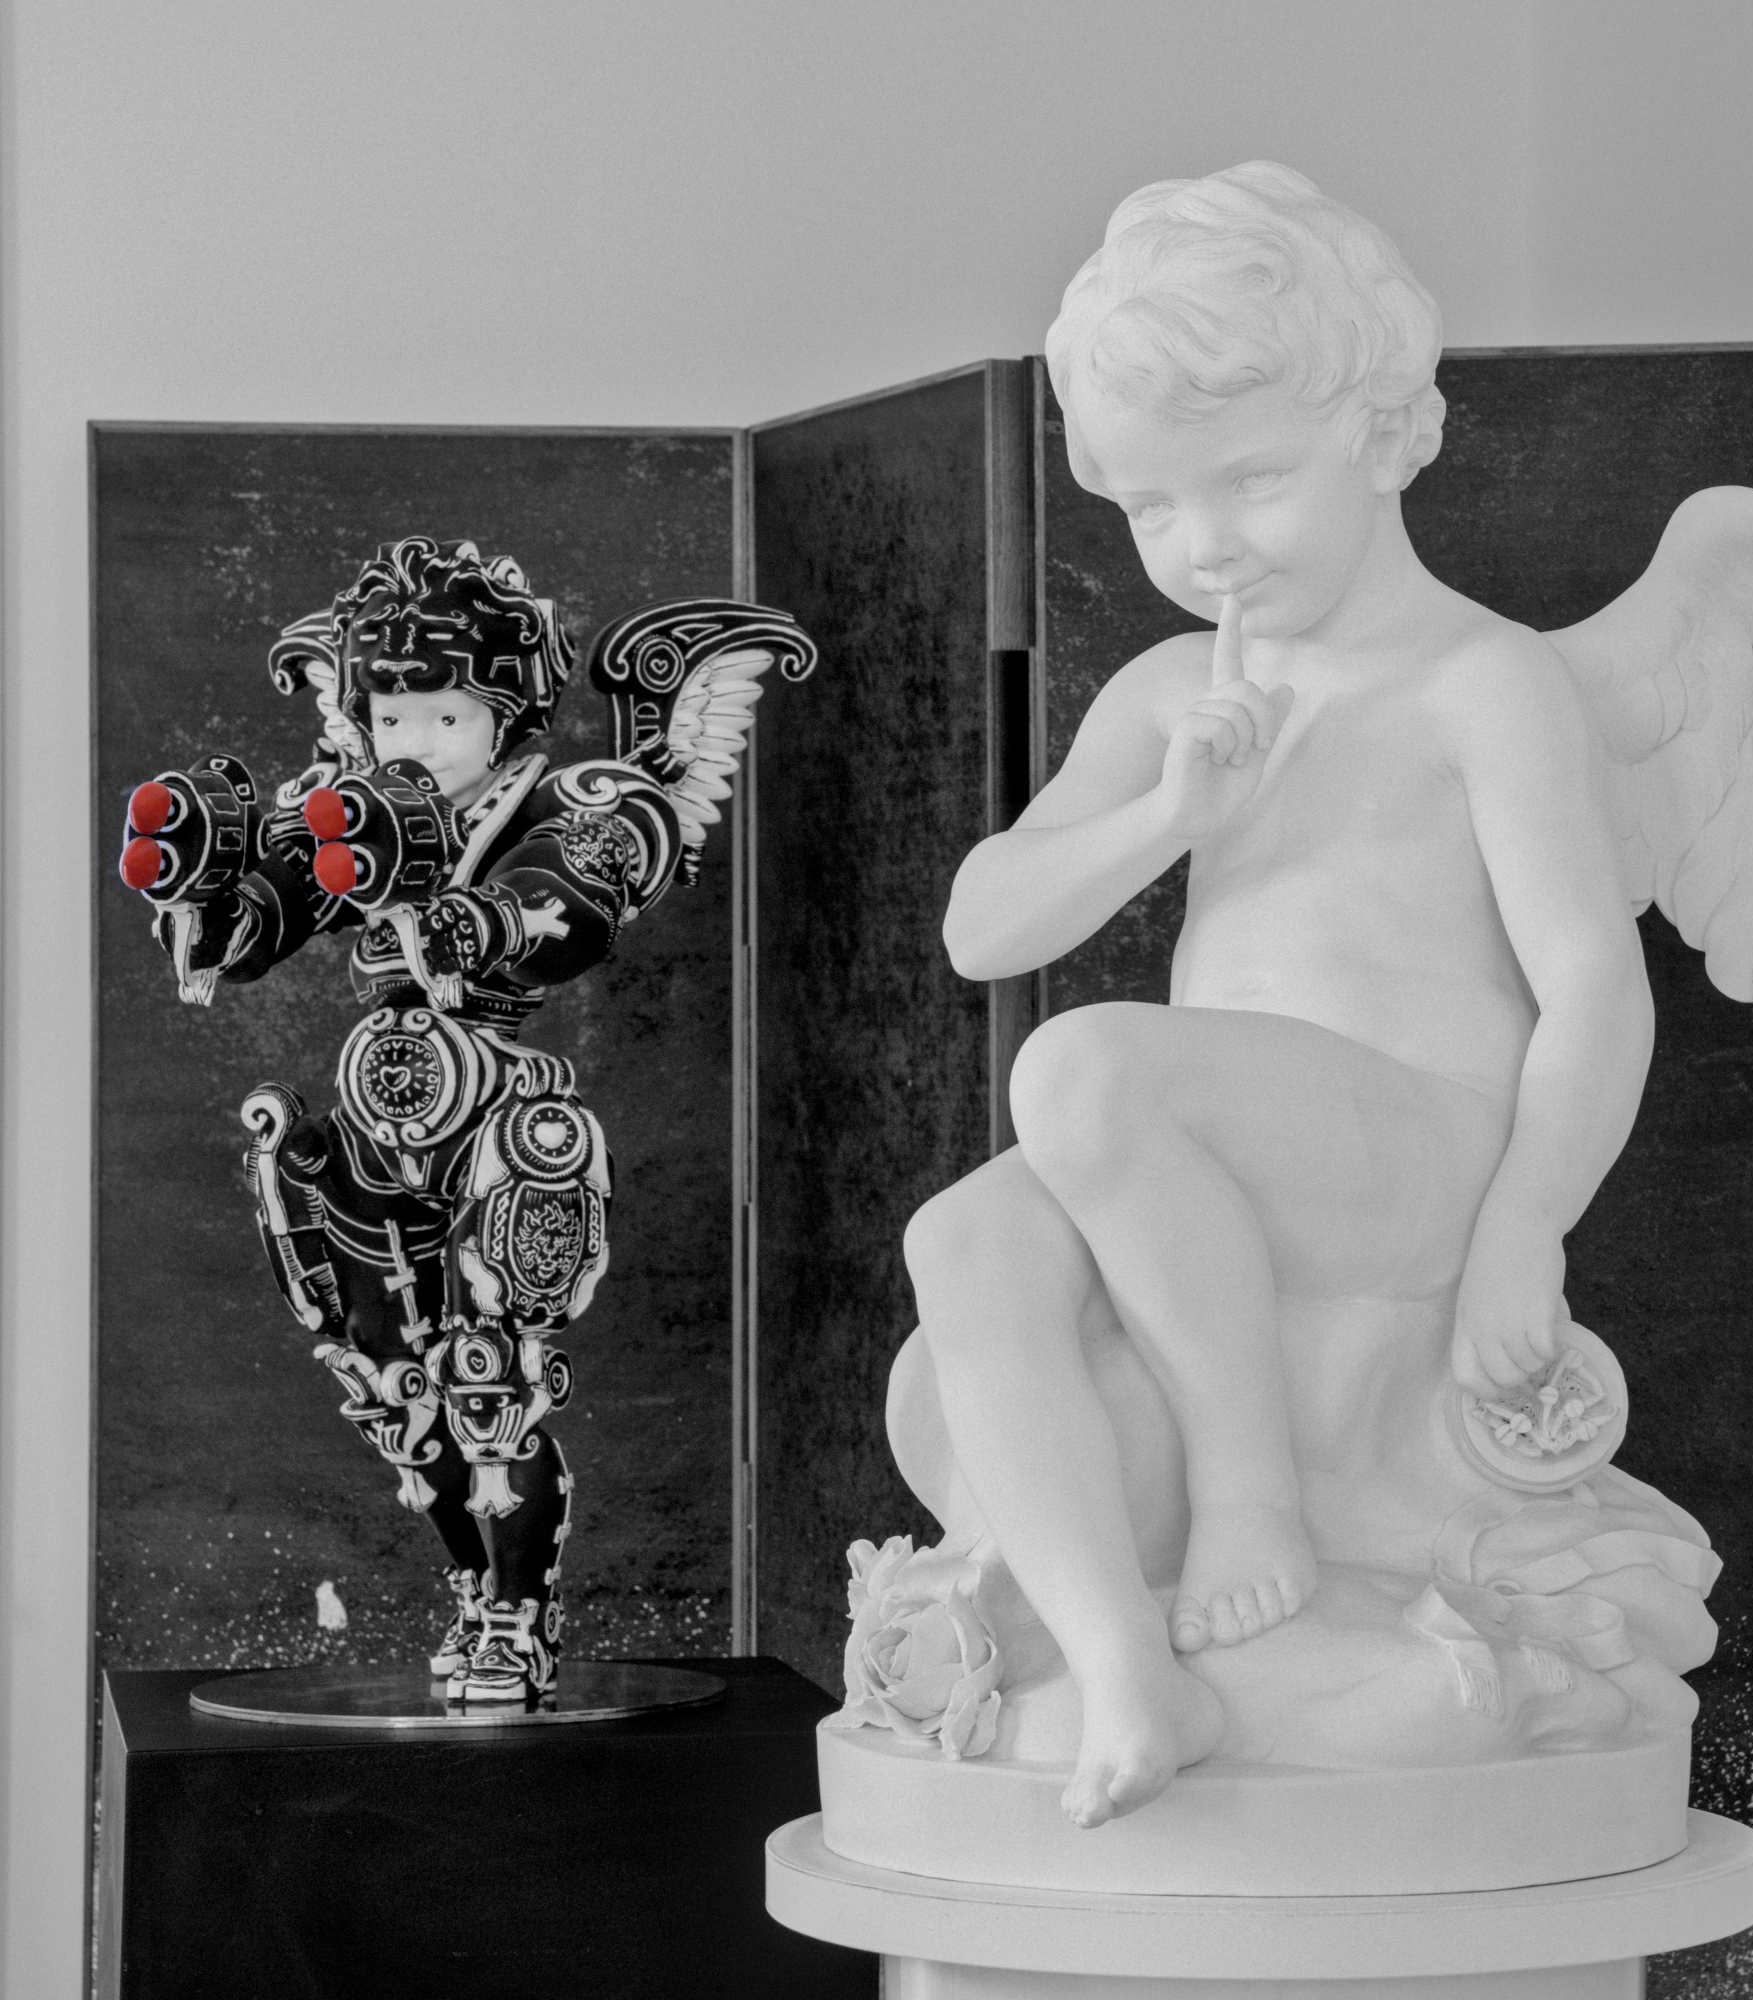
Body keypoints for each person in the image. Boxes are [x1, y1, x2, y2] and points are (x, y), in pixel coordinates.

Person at [897, 162, 1655, 1826]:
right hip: (1205, 1156)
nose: (1207, 547)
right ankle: (1124, 1662)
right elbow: (980, 928)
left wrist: (1527, 1226)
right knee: (964, 1242)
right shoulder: (1179, 690)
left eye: (1249, 480)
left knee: (1088, 1071)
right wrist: (1169, 817)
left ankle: (1252, 1497)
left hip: (1413, 1155)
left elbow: (1597, 988)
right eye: (1155, 510)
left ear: (1384, 432)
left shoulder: (1482, 682)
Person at [120, 536, 812, 1700]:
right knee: (393, 1391)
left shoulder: (573, 799)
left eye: (446, 717)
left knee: (489, 1378)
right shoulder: (353, 808)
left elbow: (568, 906)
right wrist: (206, 887)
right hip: (370, 1124)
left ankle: (518, 1615)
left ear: (507, 714)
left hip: (494, 1117)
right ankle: (470, 1587)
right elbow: (261, 922)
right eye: (393, 716)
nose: (416, 741)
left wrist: (466, 918)